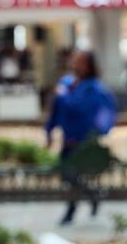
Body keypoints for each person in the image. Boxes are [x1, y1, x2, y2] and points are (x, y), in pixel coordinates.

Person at [45, 50, 117, 225]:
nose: (76, 65)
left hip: (83, 140)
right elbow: (56, 111)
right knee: (65, 174)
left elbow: (82, 109)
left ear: (89, 66)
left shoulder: (93, 88)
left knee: (71, 174)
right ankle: (93, 195)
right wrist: (49, 131)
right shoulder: (67, 83)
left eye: (81, 62)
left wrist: (64, 95)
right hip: (67, 138)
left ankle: (70, 212)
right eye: (75, 61)